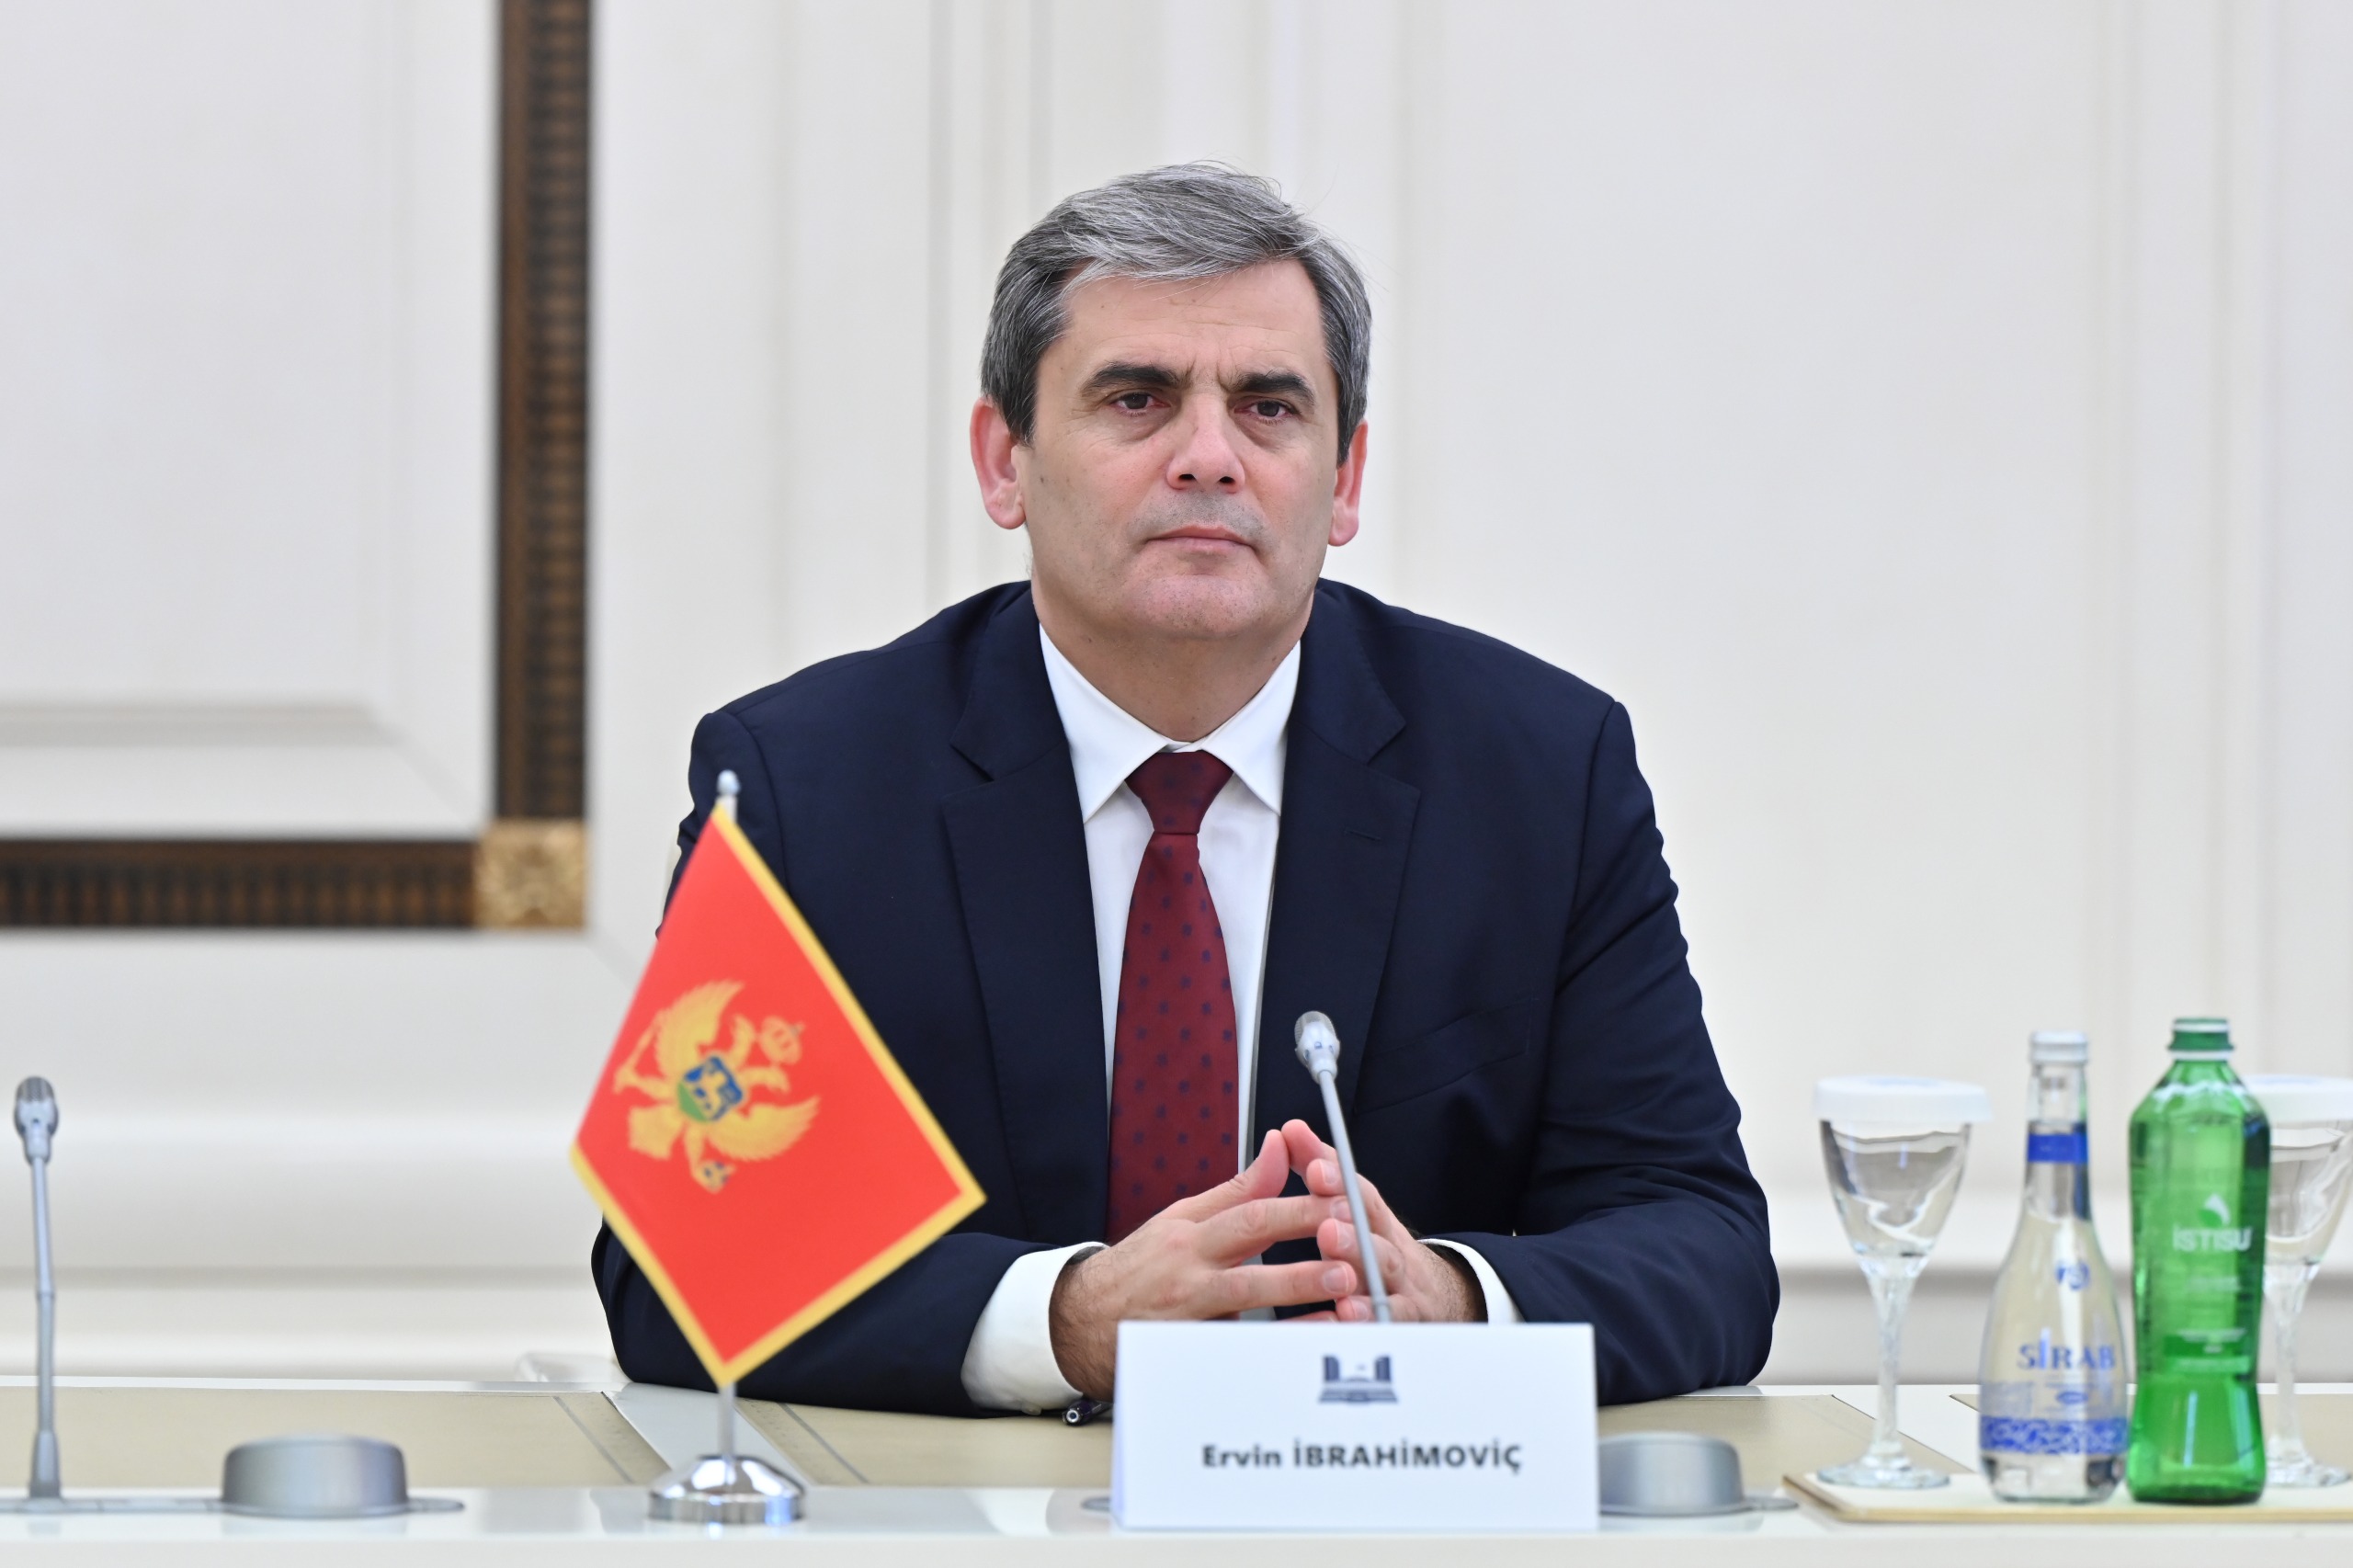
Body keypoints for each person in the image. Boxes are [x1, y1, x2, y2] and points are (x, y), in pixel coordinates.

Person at [595, 163, 1776, 1416]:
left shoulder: (1539, 774)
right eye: (1137, 399)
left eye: (1268, 407)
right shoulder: (808, 783)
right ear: (1005, 462)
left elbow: (1699, 1237)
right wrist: (1065, 1321)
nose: (1209, 457)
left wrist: (1456, 1302)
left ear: (1345, 479)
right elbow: (677, 1262)